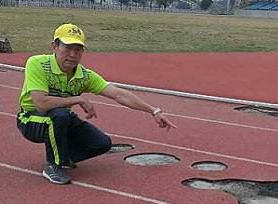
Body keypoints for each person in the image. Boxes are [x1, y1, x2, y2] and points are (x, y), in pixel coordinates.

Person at [17, 23, 176, 185]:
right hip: (31, 118)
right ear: (54, 47)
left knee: (101, 143)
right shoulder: (37, 64)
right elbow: (41, 104)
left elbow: (119, 94)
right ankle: (53, 165)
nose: (72, 54)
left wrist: (154, 111)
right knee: (60, 114)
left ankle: (64, 156)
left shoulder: (84, 75)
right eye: (67, 48)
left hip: (61, 119)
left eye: (77, 49)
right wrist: (77, 99)